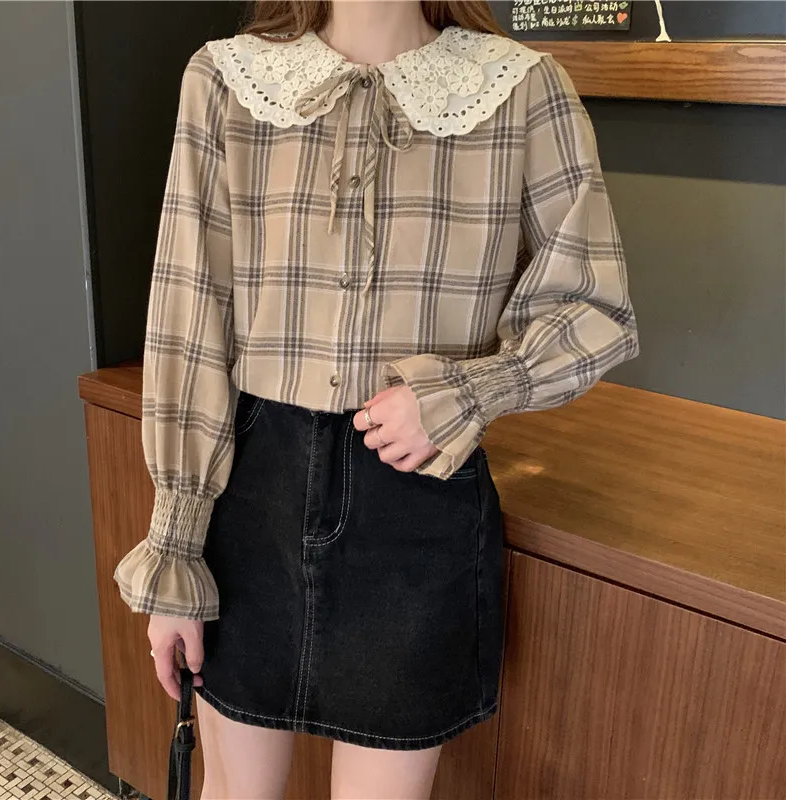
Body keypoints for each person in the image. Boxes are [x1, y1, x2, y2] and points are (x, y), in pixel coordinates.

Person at [114, 1, 639, 797]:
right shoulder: (226, 80)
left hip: (415, 505)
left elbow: (594, 306)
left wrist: (464, 394)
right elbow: (190, 320)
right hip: (251, 494)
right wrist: (176, 554)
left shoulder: (521, 89)